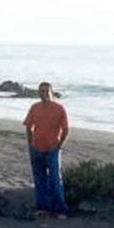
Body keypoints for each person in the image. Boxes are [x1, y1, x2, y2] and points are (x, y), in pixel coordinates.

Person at [23, 81, 70, 218]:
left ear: (51, 92)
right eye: (41, 91)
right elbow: (28, 126)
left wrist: (59, 145)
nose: (44, 94)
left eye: (46, 91)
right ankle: (43, 207)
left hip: (52, 149)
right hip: (36, 148)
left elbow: (66, 129)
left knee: (55, 179)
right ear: (38, 93)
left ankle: (60, 209)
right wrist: (30, 143)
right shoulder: (35, 108)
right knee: (39, 179)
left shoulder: (59, 109)